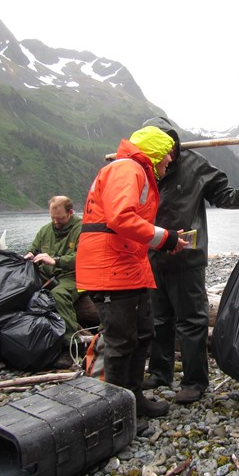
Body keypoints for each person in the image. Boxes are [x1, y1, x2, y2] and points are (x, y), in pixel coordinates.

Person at [141, 116, 239, 404]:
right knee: (158, 319)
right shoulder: (143, 169)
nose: (165, 154)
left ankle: (195, 381)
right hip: (153, 255)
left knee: (192, 321)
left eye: (169, 146)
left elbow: (222, 193)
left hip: (187, 256)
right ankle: (160, 372)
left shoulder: (195, 165)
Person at [76, 125, 187, 420]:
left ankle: (134, 399)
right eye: (167, 156)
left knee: (141, 334)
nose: (170, 162)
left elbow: (127, 223)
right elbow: (120, 217)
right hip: (110, 269)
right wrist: (165, 238)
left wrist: (165, 240)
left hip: (126, 267)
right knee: (121, 341)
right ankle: (117, 414)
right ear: (155, 152)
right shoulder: (128, 169)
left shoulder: (135, 170)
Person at [24, 196, 82, 342]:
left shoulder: (82, 229)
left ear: (70, 212)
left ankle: (70, 341)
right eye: (53, 218)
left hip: (74, 276)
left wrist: (56, 261)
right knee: (21, 286)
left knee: (58, 295)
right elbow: (34, 249)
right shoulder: (45, 230)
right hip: (47, 274)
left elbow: (83, 257)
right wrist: (30, 255)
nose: (56, 222)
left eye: (60, 218)